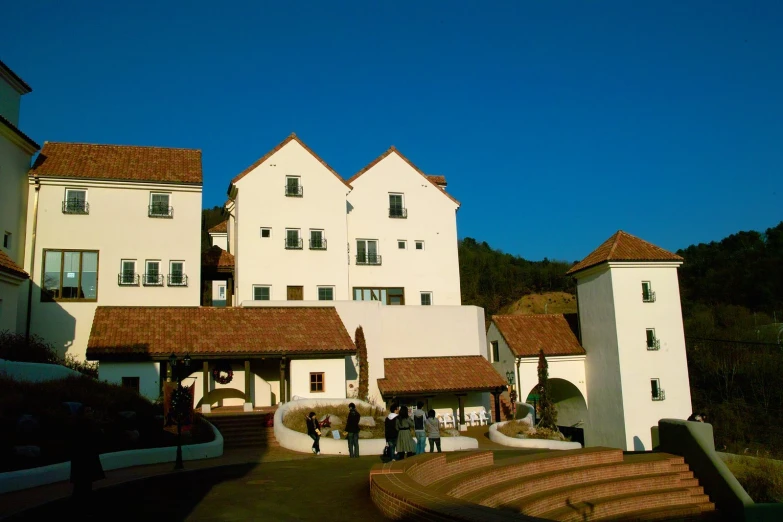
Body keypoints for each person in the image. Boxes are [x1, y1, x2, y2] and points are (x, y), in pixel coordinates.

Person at [70, 406, 105, 497]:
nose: (90, 413)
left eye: (90, 410)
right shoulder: (87, 424)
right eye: (88, 411)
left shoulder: (80, 424)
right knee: (84, 482)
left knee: (83, 483)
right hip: (85, 457)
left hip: (83, 457)